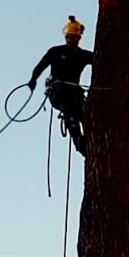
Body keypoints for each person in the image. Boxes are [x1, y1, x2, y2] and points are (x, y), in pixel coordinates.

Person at [29, 16, 93, 154]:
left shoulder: (83, 55)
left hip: (75, 93)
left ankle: (88, 140)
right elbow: (40, 67)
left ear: (79, 38)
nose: (71, 40)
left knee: (85, 114)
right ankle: (79, 142)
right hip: (59, 92)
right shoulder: (56, 52)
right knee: (70, 112)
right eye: (69, 37)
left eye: (74, 38)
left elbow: (101, 60)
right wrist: (33, 80)